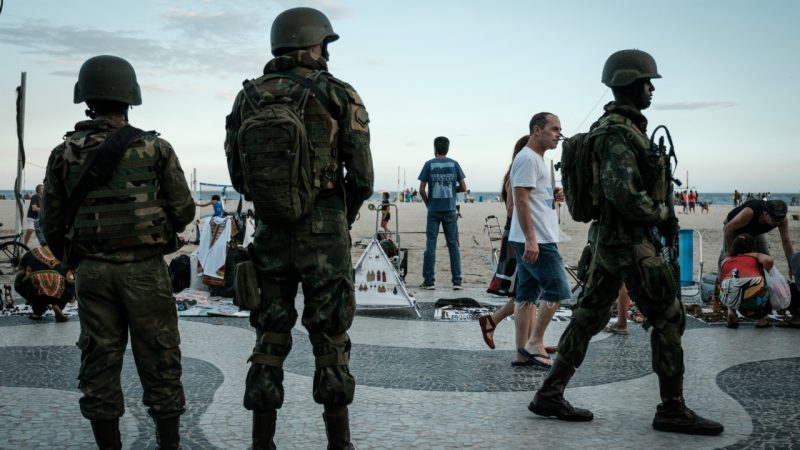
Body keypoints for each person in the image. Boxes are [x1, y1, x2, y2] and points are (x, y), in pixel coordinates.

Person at [529, 49, 723, 435]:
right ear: (631, 85)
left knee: (588, 316)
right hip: (628, 241)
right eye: (647, 82)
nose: (651, 89)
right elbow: (624, 195)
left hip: (608, 241)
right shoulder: (617, 133)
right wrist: (661, 213)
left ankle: (550, 393)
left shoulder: (619, 128)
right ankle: (672, 408)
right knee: (668, 316)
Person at [224, 7, 374, 449]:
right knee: (330, 334)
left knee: (269, 332)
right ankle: (338, 443)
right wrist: (337, 217)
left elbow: (238, 176)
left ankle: (262, 443)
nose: (326, 52)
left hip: (269, 231)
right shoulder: (337, 93)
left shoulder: (246, 97)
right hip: (324, 229)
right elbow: (362, 176)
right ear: (313, 44)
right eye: (324, 44)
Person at [41, 55, 195, 449]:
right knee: (160, 361)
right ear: (131, 99)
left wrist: (76, 259)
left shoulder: (63, 154)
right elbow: (183, 211)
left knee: (98, 364)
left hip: (92, 273)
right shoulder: (155, 148)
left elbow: (51, 225)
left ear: (86, 100)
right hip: (145, 271)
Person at [507, 113, 570, 369]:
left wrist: (550, 195)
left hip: (533, 237)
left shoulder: (536, 160)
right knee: (557, 289)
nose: (559, 135)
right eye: (554, 129)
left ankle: (522, 353)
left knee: (526, 295)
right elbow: (520, 200)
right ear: (536, 130)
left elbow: (530, 198)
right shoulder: (527, 159)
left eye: (560, 130)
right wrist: (531, 240)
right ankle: (535, 342)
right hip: (537, 240)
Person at [418, 136, 467, 290]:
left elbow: (421, 189)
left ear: (435, 148)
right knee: (453, 245)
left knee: (430, 245)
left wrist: (429, 204)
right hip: (450, 209)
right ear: (447, 148)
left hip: (434, 210)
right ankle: (457, 281)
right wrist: (453, 190)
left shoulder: (429, 164)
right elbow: (464, 187)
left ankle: (429, 281)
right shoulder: (454, 164)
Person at [720, 199, 793, 275]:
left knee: (766, 258)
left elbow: (786, 241)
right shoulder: (750, 212)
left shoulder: (782, 220)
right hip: (734, 228)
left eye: (780, 220)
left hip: (754, 230)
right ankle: (721, 281)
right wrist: (729, 251)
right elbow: (728, 229)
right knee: (727, 257)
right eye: (775, 220)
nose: (778, 223)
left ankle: (760, 281)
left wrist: (791, 266)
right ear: (765, 214)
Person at [718, 234, 772, 328]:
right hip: (753, 294)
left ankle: (731, 312)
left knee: (729, 284)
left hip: (728, 294)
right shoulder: (754, 257)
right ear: (751, 247)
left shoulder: (725, 261)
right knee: (765, 284)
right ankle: (761, 320)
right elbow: (768, 261)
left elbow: (721, 280)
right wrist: (756, 254)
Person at [14, 245, 74, 322]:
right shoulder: (63, 253)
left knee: (32, 285)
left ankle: (37, 312)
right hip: (60, 288)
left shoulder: (29, 253)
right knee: (69, 281)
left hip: (36, 287)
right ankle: (58, 305)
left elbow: (18, 279)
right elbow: (72, 275)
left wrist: (27, 296)